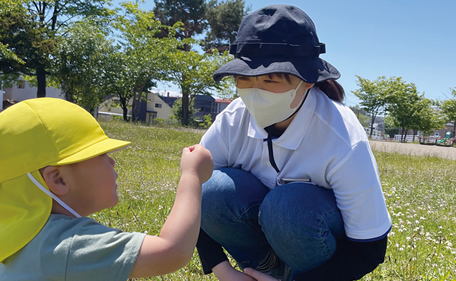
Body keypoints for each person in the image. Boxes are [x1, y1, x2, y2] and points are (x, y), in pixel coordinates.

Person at [196, 4, 392, 281]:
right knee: (210, 188)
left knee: (290, 206)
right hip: (262, 243)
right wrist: (222, 269)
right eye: (243, 79)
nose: (254, 92)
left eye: (270, 79)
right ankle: (264, 271)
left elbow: (370, 249)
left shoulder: (342, 138)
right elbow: (190, 194)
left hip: (316, 248)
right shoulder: (233, 119)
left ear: (308, 81)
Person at [0, 98, 213, 280]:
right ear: (58, 179)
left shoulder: (13, 238)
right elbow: (171, 251)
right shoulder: (66, 245)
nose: (112, 162)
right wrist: (191, 175)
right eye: (101, 155)